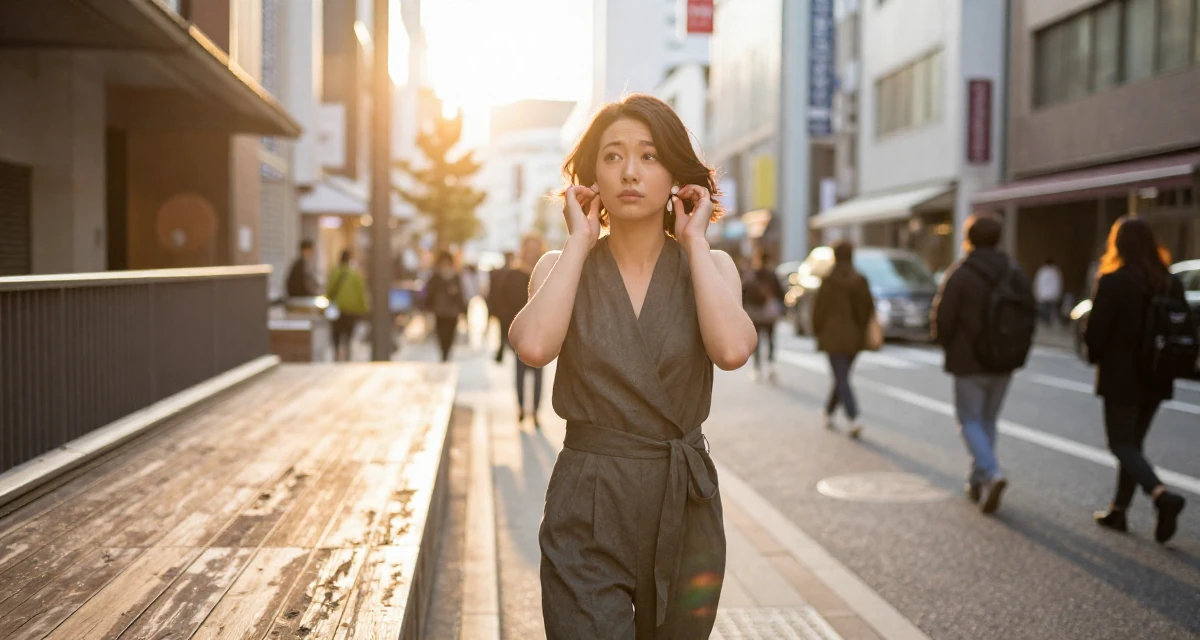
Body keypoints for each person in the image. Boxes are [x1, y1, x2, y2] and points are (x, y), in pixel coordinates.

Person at [508, 94, 757, 638]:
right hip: (589, 497)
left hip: (682, 503)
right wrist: (579, 240)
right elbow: (532, 347)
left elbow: (734, 351)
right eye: (613, 155)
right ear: (592, 174)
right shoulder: (562, 266)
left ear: (674, 174)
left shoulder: (711, 266)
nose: (630, 171)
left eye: (648, 156)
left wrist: (693, 241)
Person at [1086, 216, 1188, 544]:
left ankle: (1160, 495)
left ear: (1118, 244)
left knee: (1120, 443)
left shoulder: (1114, 280)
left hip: (1122, 376)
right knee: (1134, 444)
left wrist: (1094, 354)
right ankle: (1118, 510)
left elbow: (1096, 332)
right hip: (1158, 374)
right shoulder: (1169, 281)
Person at [932, 212, 1035, 515]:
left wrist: (947, 345)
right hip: (1004, 360)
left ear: (969, 238)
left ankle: (990, 473)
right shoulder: (1014, 272)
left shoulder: (961, 272)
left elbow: (943, 317)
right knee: (987, 421)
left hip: (968, 361)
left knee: (969, 420)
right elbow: (1030, 314)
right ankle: (978, 479)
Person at [812, 240, 874, 439]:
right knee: (842, 376)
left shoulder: (829, 280)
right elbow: (867, 309)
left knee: (841, 377)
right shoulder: (860, 280)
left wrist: (817, 330)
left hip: (832, 336)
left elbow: (818, 310)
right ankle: (828, 412)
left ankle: (854, 416)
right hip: (855, 337)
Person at [502, 236, 548, 426]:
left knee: (538, 373)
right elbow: (505, 304)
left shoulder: (547, 271)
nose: (532, 253)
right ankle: (521, 408)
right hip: (521, 328)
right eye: (529, 249)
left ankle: (535, 412)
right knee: (520, 372)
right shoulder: (514, 274)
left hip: (541, 330)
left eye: (535, 249)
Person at [742, 249, 786, 381]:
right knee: (771, 339)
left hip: (754, 313)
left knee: (756, 341)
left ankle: (757, 368)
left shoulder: (751, 275)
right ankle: (771, 366)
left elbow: (743, 293)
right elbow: (780, 293)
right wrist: (782, 308)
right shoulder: (772, 275)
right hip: (769, 313)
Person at [326, 250, 370, 362]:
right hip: (351, 310)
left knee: (336, 332)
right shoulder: (355, 274)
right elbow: (361, 292)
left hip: (337, 309)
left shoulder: (335, 271)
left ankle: (336, 354)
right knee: (348, 334)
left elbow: (329, 290)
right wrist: (364, 309)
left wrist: (326, 302)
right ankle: (347, 355)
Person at [425, 251, 467, 362]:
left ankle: (446, 355)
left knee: (450, 335)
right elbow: (429, 292)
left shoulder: (455, 277)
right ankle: (443, 355)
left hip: (452, 313)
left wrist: (463, 309)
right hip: (440, 311)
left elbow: (461, 294)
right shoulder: (436, 277)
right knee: (441, 335)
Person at [487, 251, 517, 362]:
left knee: (505, 331)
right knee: (504, 331)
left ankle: (503, 351)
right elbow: (493, 291)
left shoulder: (513, 272)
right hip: (503, 308)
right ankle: (504, 351)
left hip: (509, 308)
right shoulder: (499, 273)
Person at [1034, 257, 1063, 326]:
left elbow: (1057, 284)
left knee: (1049, 310)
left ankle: (1048, 322)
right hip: (1046, 294)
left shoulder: (1054, 271)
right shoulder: (1044, 271)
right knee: (1044, 310)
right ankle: (1046, 321)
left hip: (1049, 295)